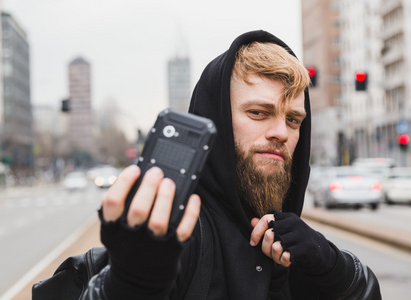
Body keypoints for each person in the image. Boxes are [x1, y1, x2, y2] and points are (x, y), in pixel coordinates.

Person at [33, 30, 381, 299]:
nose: (280, 132)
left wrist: (332, 265)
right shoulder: (177, 235)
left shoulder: (296, 243)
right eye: (258, 113)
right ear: (215, 120)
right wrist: (128, 283)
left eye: (293, 120)